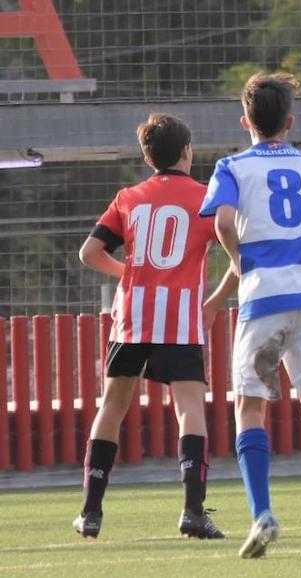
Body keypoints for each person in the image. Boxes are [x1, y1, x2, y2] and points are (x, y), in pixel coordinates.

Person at [200, 73, 301, 557]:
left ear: (245, 120)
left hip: (264, 297)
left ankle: (263, 516)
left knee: (251, 407)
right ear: (290, 122)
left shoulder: (232, 166)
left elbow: (223, 221)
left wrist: (237, 258)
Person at [74, 113, 233, 540]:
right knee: (189, 410)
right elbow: (239, 254)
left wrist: (126, 273)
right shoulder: (206, 199)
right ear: (186, 151)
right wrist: (217, 298)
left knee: (112, 407)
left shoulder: (128, 197)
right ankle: (193, 511)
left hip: (132, 318)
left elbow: (90, 252)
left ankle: (90, 511)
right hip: (180, 319)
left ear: (148, 158)